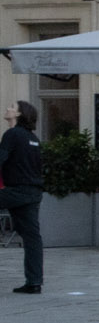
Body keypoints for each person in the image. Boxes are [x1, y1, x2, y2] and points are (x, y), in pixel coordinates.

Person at [1, 101, 40, 292]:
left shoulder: (12, 134)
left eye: (11, 106)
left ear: (18, 114)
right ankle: (34, 282)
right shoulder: (34, 139)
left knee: (31, 237)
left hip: (16, 191)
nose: (7, 108)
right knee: (32, 238)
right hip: (32, 193)